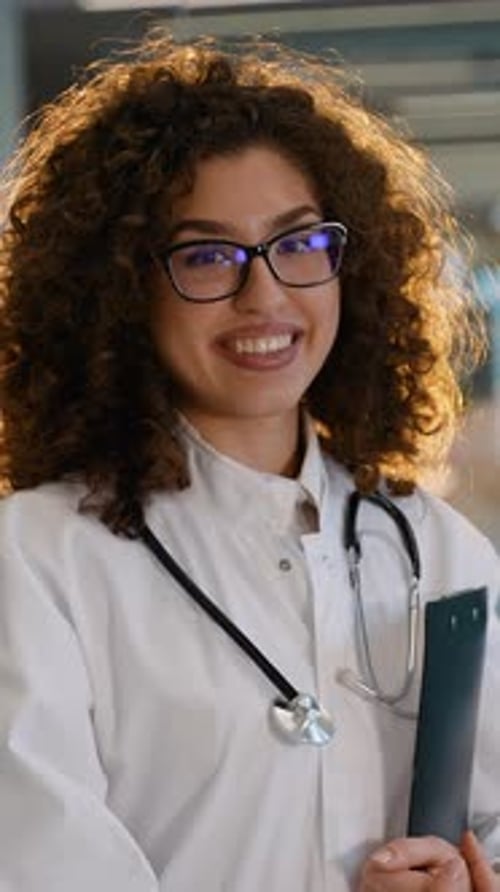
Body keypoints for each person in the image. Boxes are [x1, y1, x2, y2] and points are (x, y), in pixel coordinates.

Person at [0, 32, 498, 892]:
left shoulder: (433, 546)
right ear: (122, 289)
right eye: (207, 256)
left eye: (299, 244)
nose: (264, 294)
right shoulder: (38, 559)